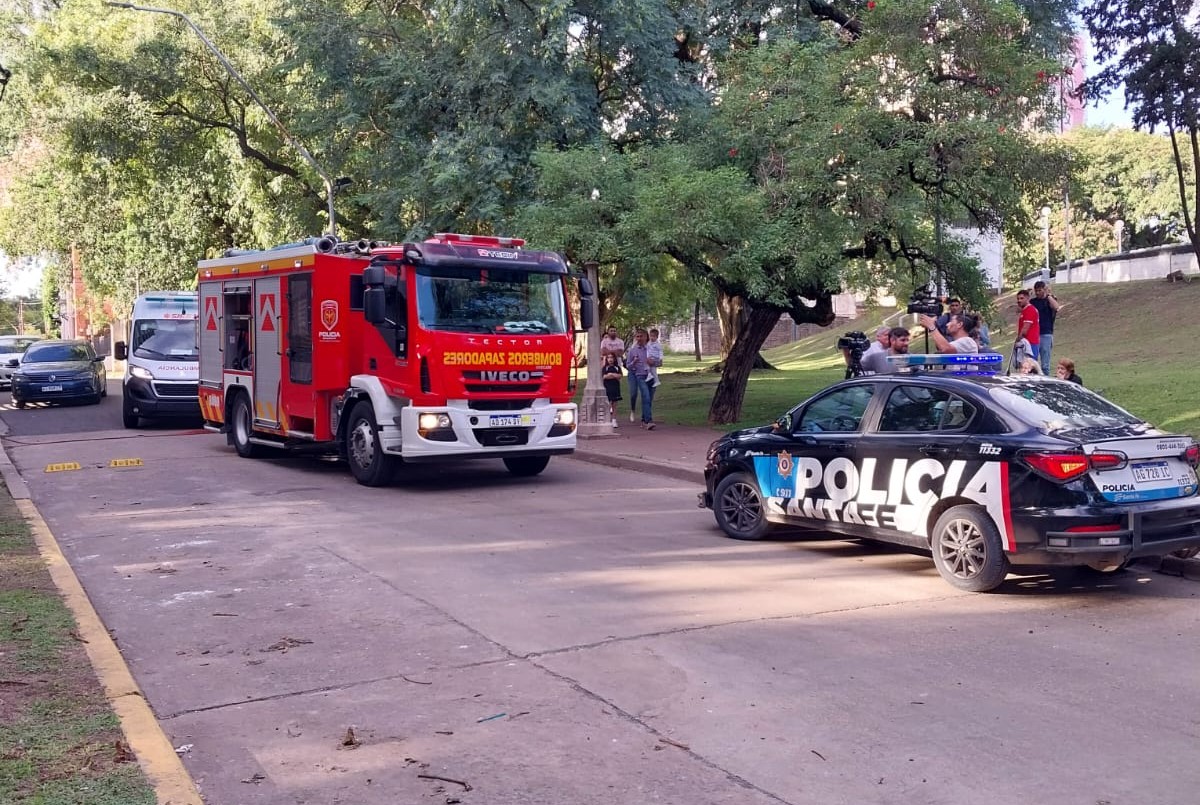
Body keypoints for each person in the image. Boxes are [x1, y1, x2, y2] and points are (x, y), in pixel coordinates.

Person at [624, 328, 655, 429]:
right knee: (645, 396)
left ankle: (643, 419)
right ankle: (648, 421)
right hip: (640, 376)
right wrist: (634, 362)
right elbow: (628, 366)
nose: (639, 338)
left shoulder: (652, 348)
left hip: (652, 377)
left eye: (641, 336)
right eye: (637, 336)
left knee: (649, 399)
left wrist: (654, 362)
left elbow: (660, 362)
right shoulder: (633, 351)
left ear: (646, 337)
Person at [1030, 280, 1061, 375]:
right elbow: (1019, 309)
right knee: (1032, 362)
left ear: (1044, 289)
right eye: (1036, 291)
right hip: (1034, 334)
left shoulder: (1049, 300)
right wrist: (1028, 294)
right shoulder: (1033, 302)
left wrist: (1048, 296)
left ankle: (1045, 379)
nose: (1038, 293)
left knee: (1045, 364)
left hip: (1046, 333)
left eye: (1040, 290)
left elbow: (1056, 307)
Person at [1015, 289, 1041, 362]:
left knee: (1030, 366)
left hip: (1030, 343)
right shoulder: (1025, 310)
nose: (1019, 300)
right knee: (1024, 367)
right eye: (1018, 298)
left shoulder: (1030, 310)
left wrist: (1017, 340)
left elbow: (1025, 330)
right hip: (1026, 343)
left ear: (1027, 298)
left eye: (1022, 298)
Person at [601, 353, 623, 428]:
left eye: (612, 358)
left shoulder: (617, 367)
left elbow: (619, 376)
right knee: (608, 404)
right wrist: (611, 376)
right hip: (607, 388)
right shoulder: (605, 368)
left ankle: (614, 420)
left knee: (615, 404)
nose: (610, 359)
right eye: (608, 358)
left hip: (615, 388)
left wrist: (612, 374)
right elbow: (604, 376)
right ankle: (607, 420)